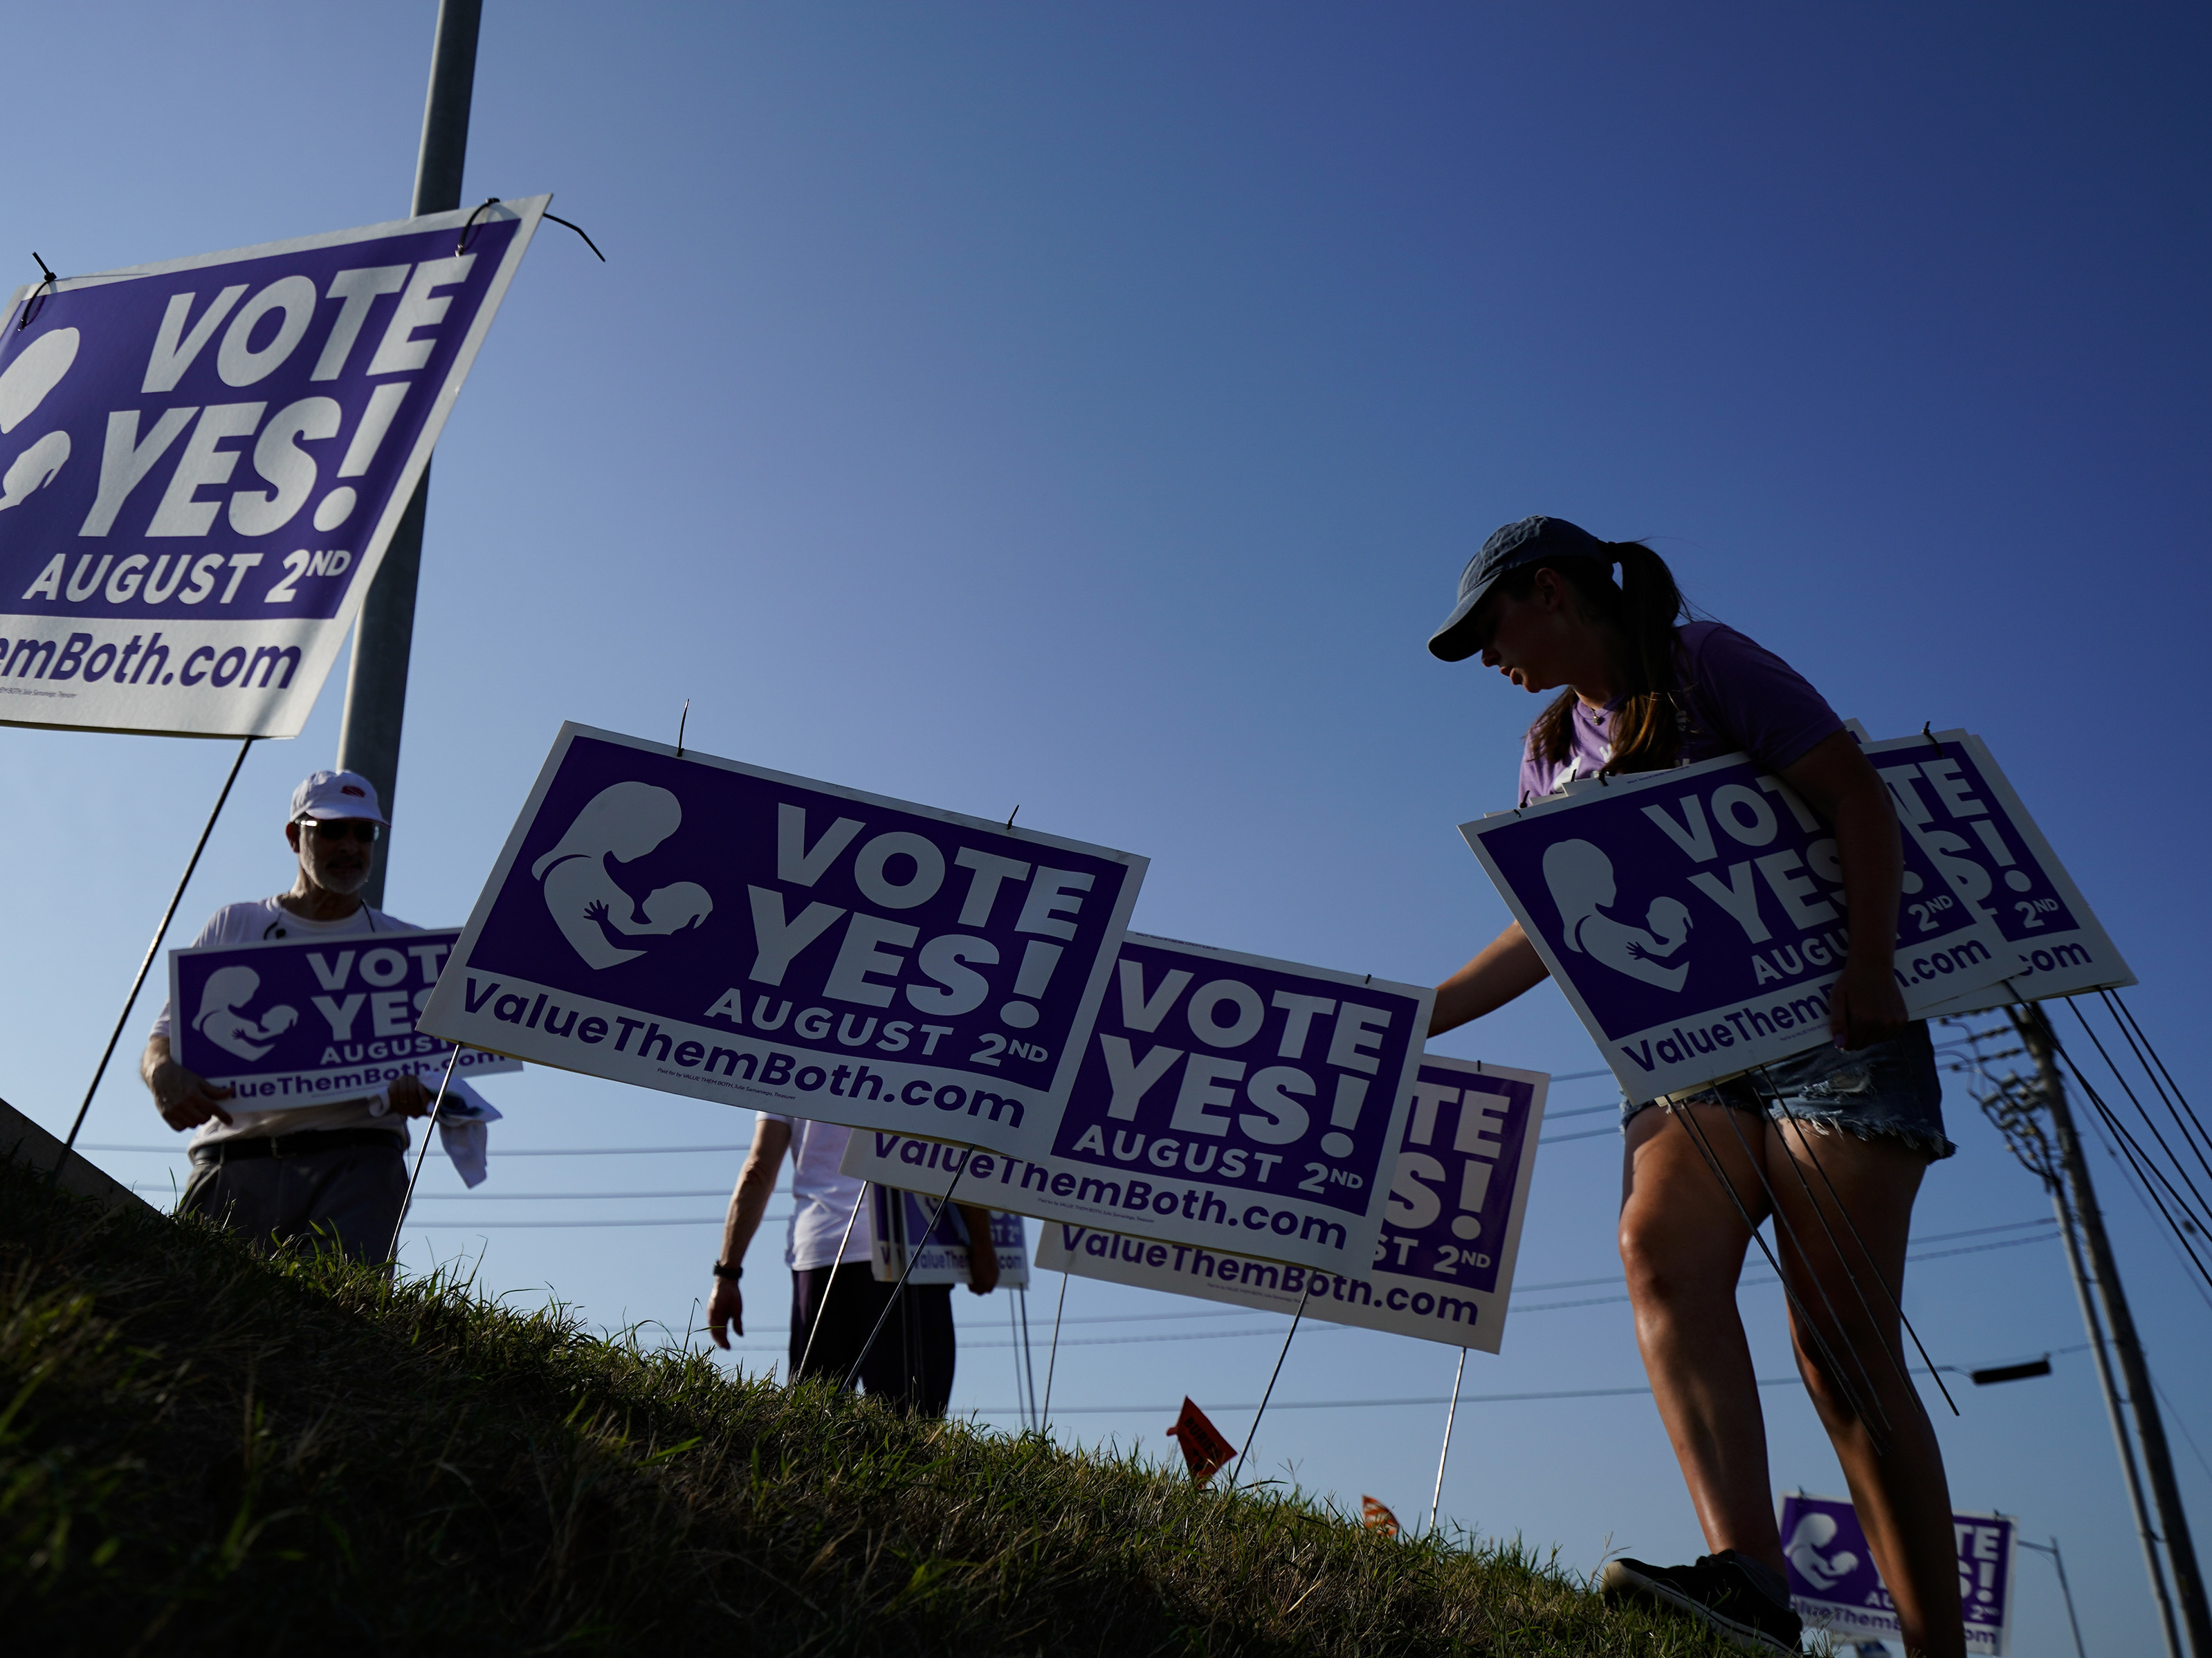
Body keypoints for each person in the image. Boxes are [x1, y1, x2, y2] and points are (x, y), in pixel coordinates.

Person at [1425, 517, 1964, 1658]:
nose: (1487, 658)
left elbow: (1855, 797)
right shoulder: (1543, 753)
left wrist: (1870, 963)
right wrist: (1415, 1015)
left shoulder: (1707, 661)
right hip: (1689, 1052)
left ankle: (1932, 1646)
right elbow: (1545, 932)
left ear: (1553, 592)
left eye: (1490, 626)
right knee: (1654, 1253)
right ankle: (1750, 1586)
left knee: (1837, 1337)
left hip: (1833, 1025)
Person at [142, 770, 445, 1262]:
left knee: (337, 1326)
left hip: (358, 1164)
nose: (350, 846)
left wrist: (424, 1083)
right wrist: (162, 1074)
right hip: (233, 1159)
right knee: (197, 1319)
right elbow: (164, 1041)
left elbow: (447, 1066)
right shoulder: (236, 924)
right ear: (293, 835)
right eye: (331, 830)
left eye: (363, 832)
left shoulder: (408, 949)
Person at [706, 1113, 999, 1416]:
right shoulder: (934, 1064)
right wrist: (983, 1247)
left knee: (813, 1420)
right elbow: (958, 1153)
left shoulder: (792, 1066)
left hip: (819, 1252)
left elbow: (758, 1169)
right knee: (910, 1422)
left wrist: (727, 1275)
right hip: (906, 1247)